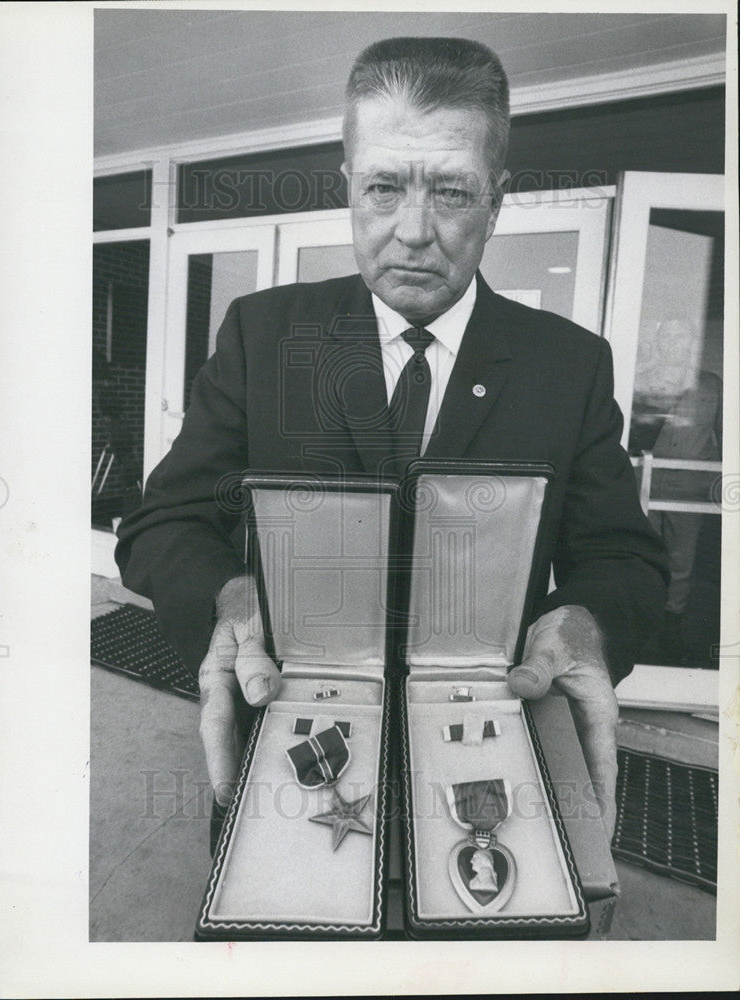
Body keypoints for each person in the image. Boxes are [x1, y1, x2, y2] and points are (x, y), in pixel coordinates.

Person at [116, 37, 668, 844]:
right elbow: (161, 522)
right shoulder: (262, 334)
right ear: (348, 185)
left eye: (451, 191)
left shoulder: (569, 364)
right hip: (292, 759)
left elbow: (624, 557)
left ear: (497, 199)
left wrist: (586, 625)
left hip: (488, 769)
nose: (413, 231)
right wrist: (233, 602)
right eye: (384, 187)